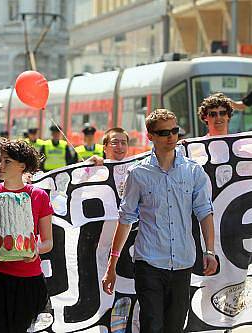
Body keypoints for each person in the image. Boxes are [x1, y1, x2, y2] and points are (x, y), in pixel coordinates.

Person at [101, 109, 218, 332]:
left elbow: (205, 212)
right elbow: (125, 219)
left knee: (174, 328)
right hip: (149, 263)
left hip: (183, 262)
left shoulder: (193, 171)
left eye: (175, 131)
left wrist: (210, 251)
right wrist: (112, 266)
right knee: (152, 326)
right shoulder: (138, 173)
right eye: (164, 133)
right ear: (150, 136)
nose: (171, 137)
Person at [0, 138, 53, 332]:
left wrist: (34, 250)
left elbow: (48, 242)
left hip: (30, 279)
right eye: (0, 160)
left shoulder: (39, 196)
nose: (0, 165)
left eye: (7, 161)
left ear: (22, 166)